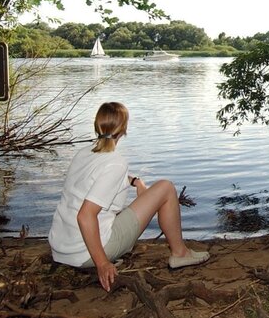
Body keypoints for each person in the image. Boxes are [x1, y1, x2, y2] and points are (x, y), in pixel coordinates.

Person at [48, 102, 209, 292]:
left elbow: (102, 178)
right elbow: (85, 216)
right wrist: (102, 263)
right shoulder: (116, 162)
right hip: (86, 253)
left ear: (97, 125)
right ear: (124, 129)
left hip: (61, 247)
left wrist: (135, 182)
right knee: (166, 187)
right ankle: (180, 253)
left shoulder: (84, 153)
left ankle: (179, 251)